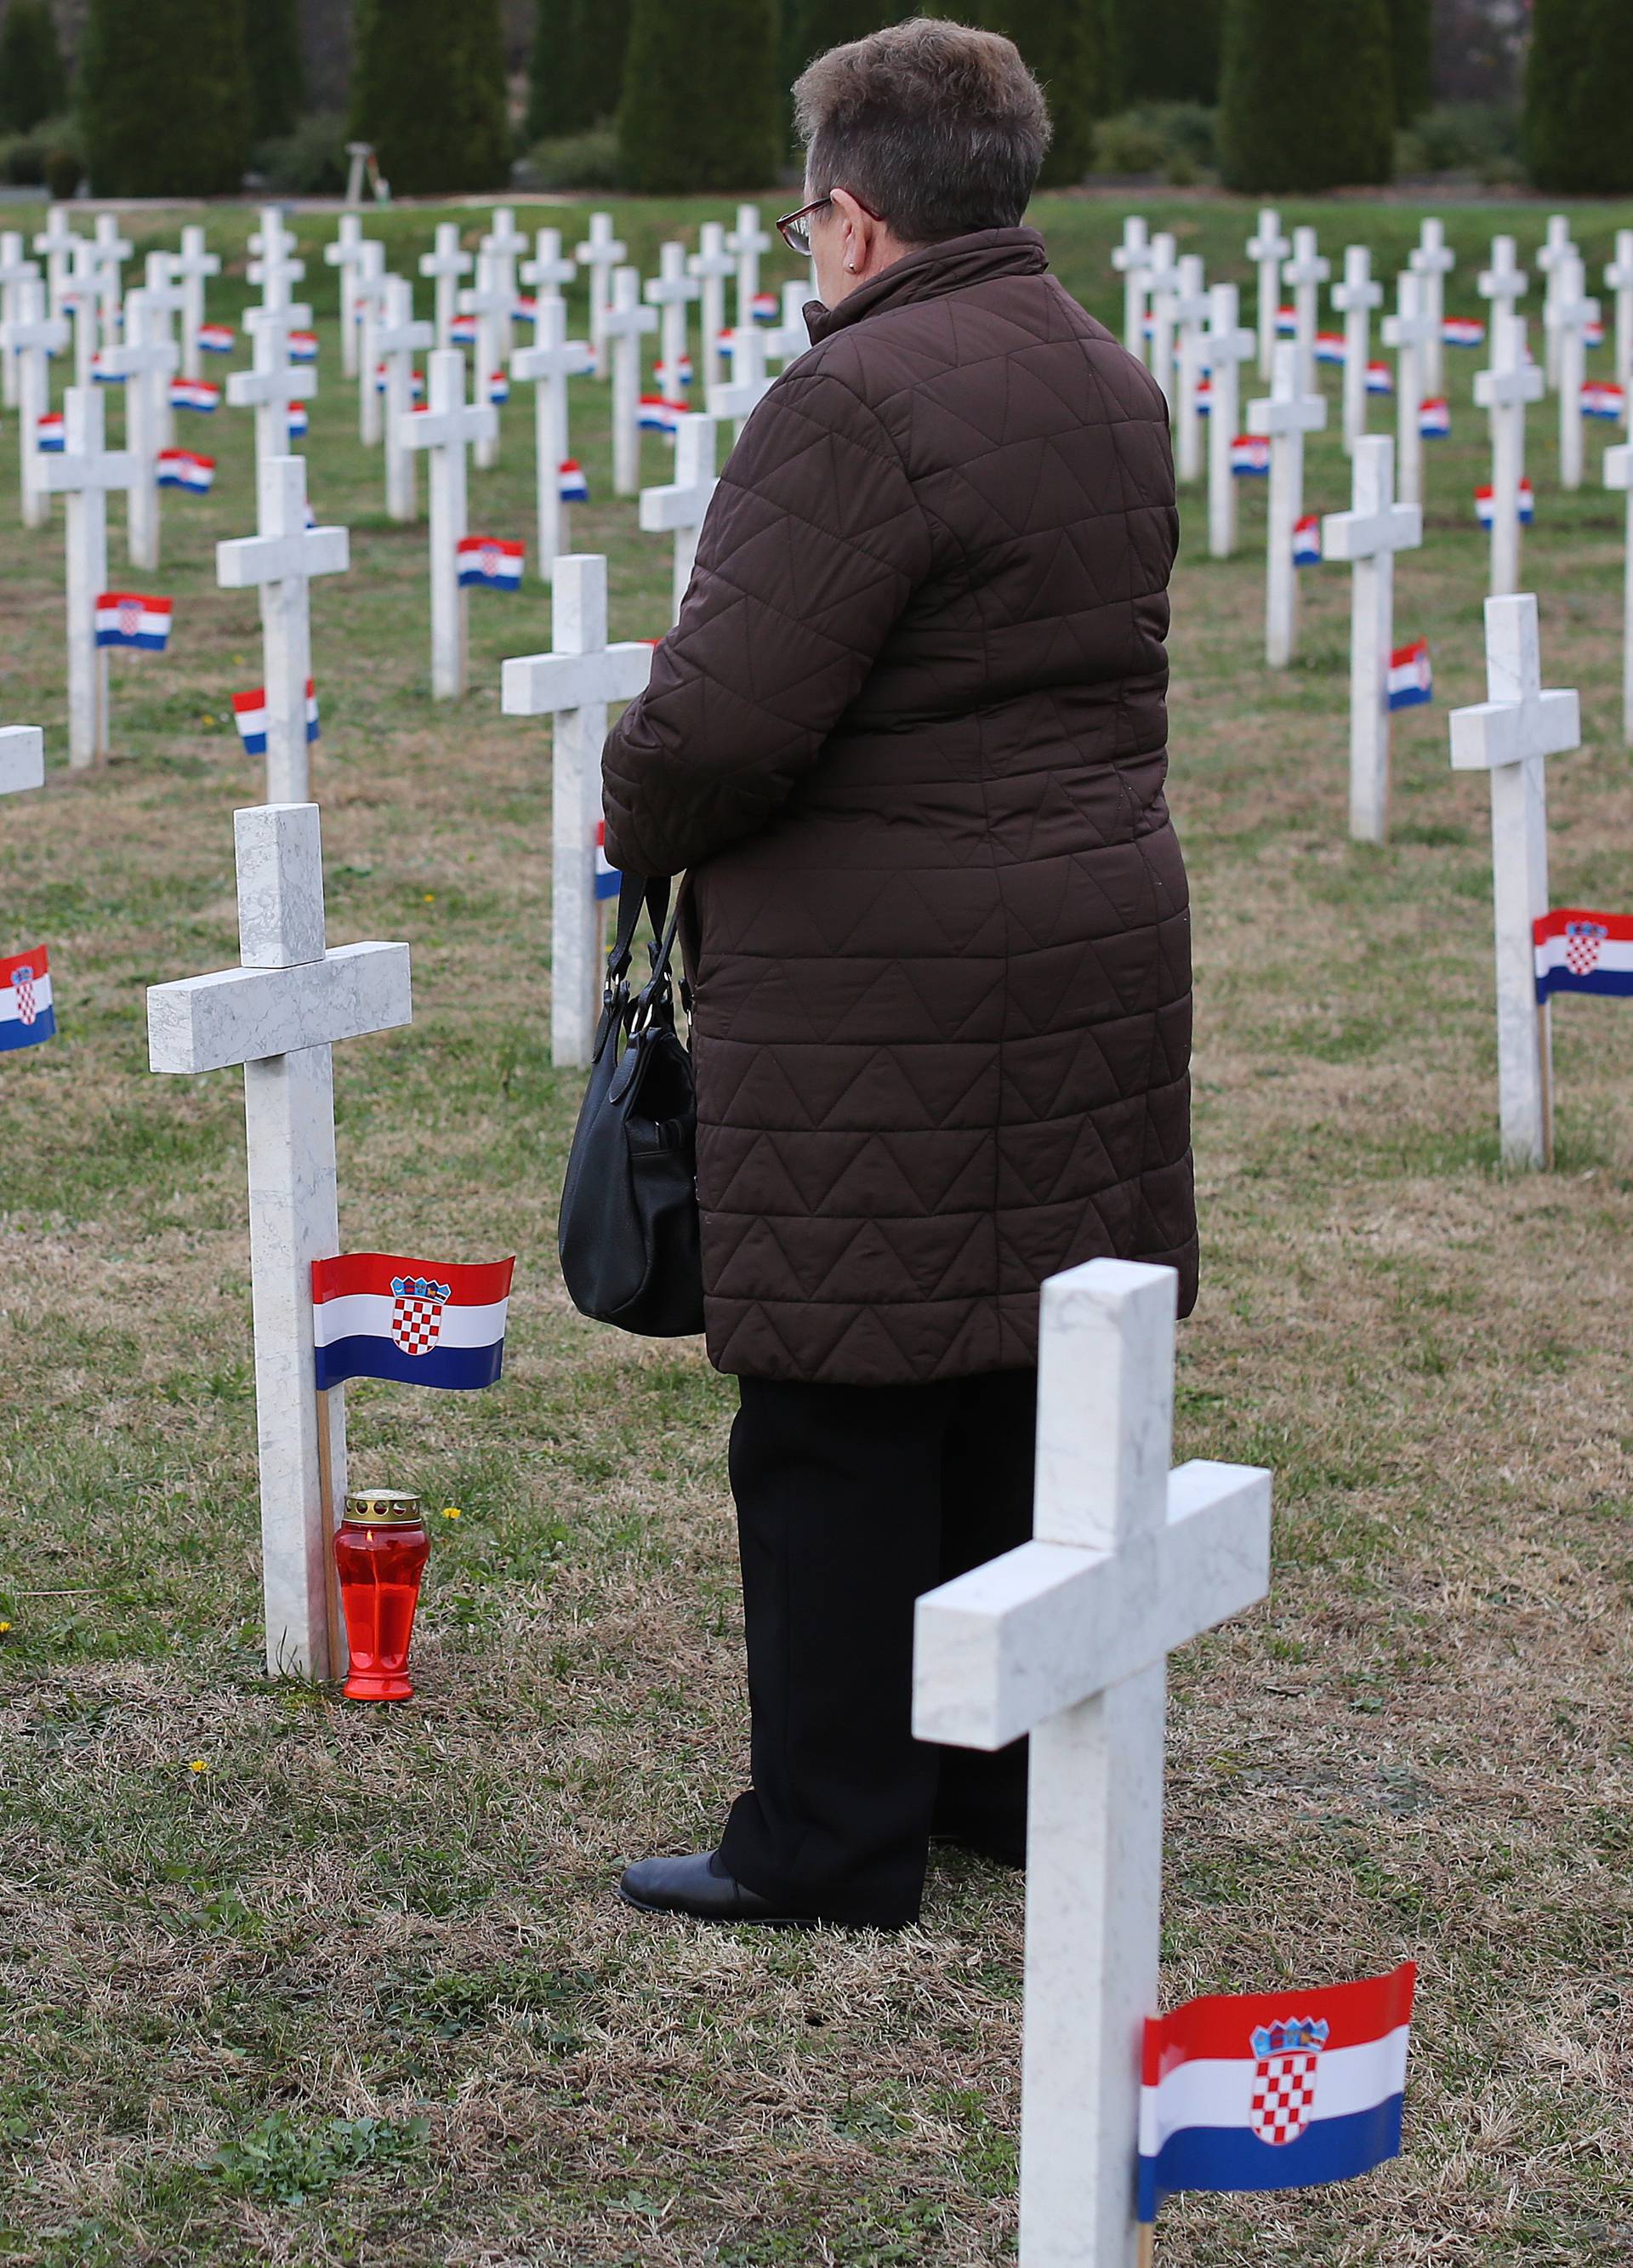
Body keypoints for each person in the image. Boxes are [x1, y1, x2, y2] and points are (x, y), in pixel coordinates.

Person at [603, 16, 1194, 1929]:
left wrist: (637, 802)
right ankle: (995, 1775)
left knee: (841, 1394)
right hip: (1085, 928)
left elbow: (726, 719)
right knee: (1007, 1364)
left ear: (850, 219)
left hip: (889, 967)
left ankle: (832, 1831)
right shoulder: (1099, 370)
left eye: (802, 225)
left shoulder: (854, 400)